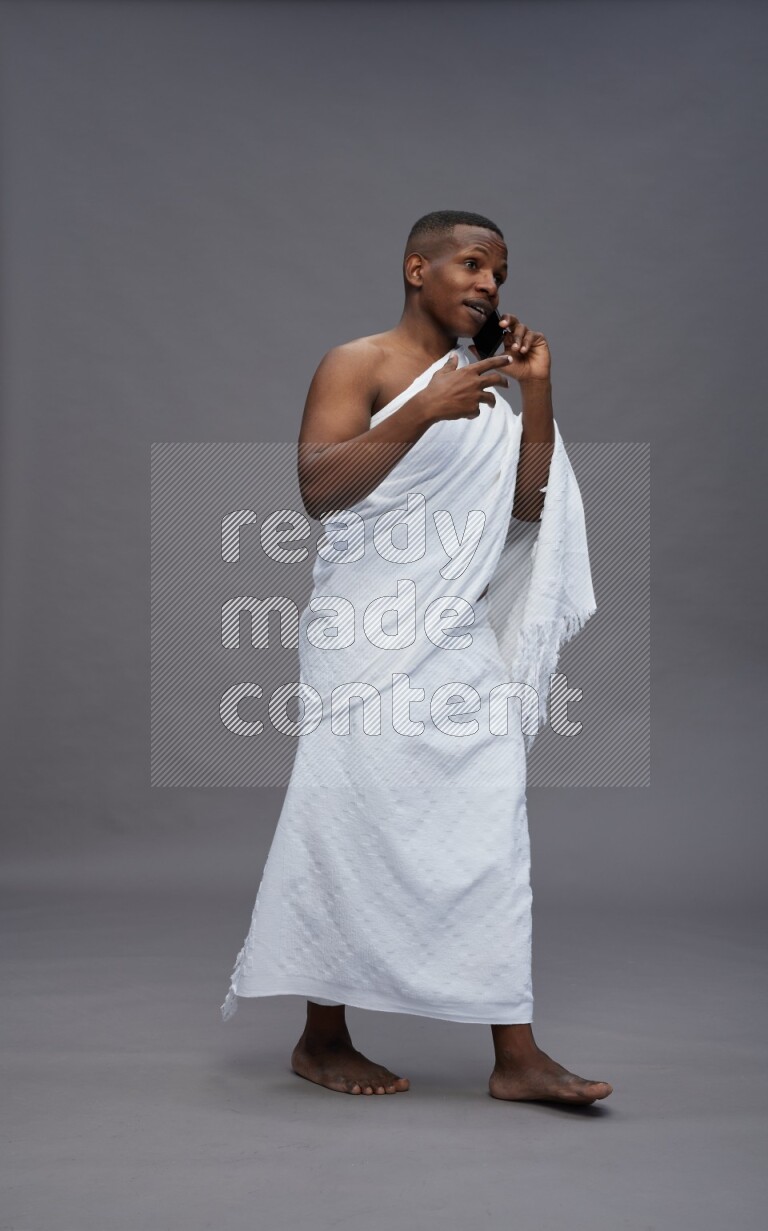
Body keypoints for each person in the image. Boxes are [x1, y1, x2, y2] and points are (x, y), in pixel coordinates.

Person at [221, 209, 612, 1106]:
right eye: (473, 265)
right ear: (416, 269)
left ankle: (516, 1055)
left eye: (500, 273)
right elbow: (318, 489)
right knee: (347, 826)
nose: (489, 285)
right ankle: (322, 1038)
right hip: (362, 634)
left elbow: (525, 509)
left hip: (453, 637)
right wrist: (423, 412)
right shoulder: (357, 364)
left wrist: (537, 392)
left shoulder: (493, 389)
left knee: (487, 834)